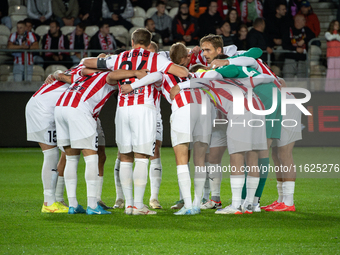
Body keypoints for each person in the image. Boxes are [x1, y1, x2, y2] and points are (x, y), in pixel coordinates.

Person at [83, 28, 188, 215]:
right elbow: (182, 71)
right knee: (141, 157)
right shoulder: (155, 58)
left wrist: (116, 67)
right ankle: (138, 205)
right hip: (144, 109)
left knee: (125, 157)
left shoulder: (120, 57)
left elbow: (87, 62)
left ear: (132, 42)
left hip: (122, 109)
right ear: (149, 44)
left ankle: (129, 204)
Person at [25, 65, 84, 213]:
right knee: (51, 154)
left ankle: (55, 199)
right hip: (43, 110)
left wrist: (56, 73)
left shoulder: (74, 71)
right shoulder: (81, 76)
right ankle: (48, 202)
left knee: (62, 150)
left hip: (45, 107)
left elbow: (58, 74)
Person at [325, 20, 340, 92]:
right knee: (331, 72)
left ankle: (338, 88)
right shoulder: (327, 33)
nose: (337, 26)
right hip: (331, 55)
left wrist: (336, 36)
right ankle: (330, 89)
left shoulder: (339, 34)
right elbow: (329, 38)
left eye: (337, 24)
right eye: (335, 24)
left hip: (338, 56)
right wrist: (336, 36)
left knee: (338, 72)